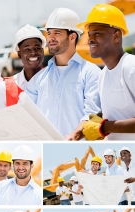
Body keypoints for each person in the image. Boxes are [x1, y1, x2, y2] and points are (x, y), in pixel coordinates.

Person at [26, 8, 100, 138]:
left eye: (57, 33)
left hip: (76, 150)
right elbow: (26, 114)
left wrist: (75, 135)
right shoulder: (38, 79)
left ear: (72, 37)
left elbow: (92, 114)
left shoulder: (91, 73)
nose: (51, 38)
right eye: (49, 33)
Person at [79, 4, 135, 141]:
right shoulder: (103, 75)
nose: (90, 39)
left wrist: (104, 127)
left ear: (116, 36)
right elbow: (114, 114)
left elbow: (106, 126)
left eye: (97, 33)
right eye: (89, 34)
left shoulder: (130, 67)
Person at [0, 25, 46, 107]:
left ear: (42, 51)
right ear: (19, 54)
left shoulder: (53, 81)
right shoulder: (6, 87)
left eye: (37, 48)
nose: (33, 52)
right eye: (27, 49)